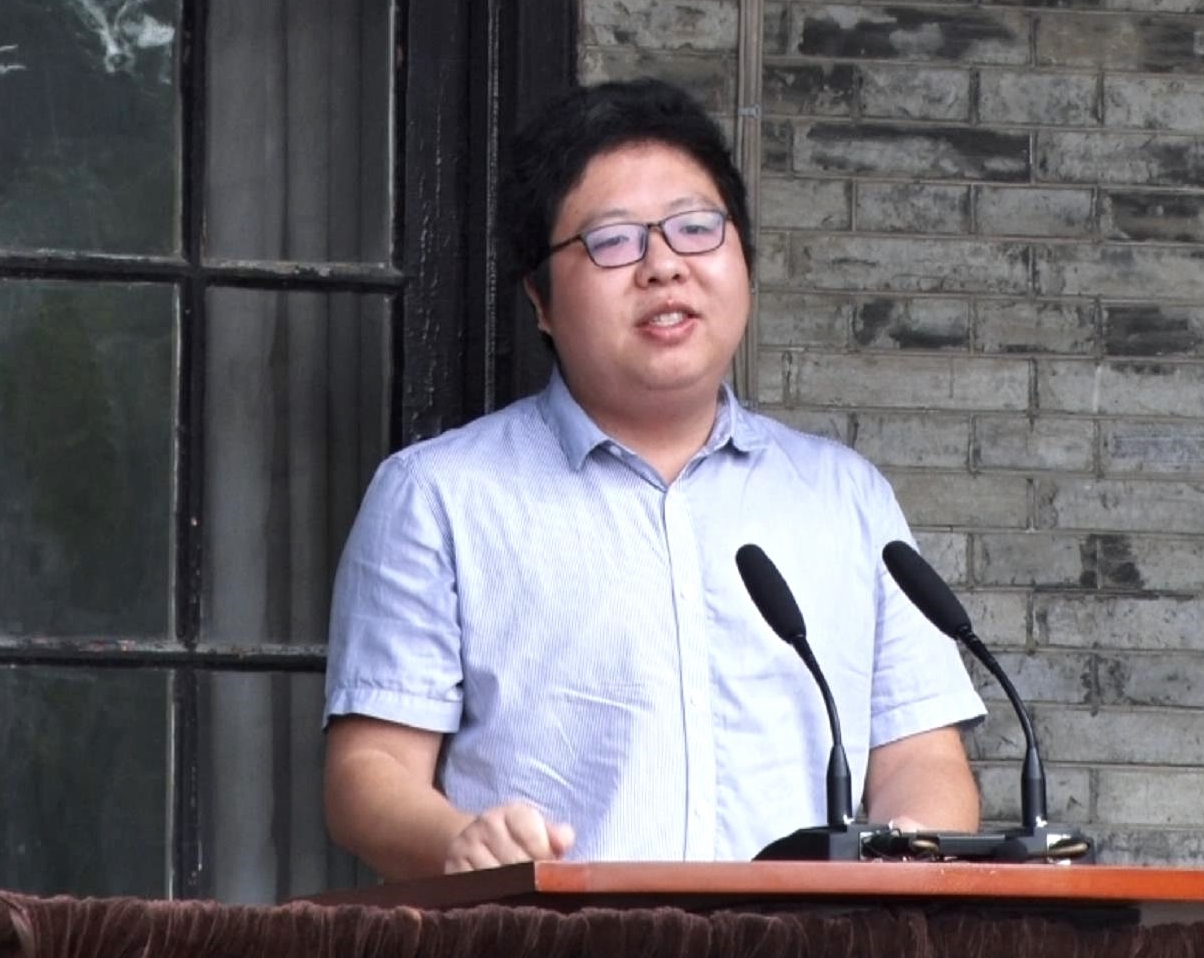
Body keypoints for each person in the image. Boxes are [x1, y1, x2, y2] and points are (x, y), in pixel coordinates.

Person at [322, 77, 986, 880]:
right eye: (612, 241)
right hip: (557, 936)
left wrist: (910, 852)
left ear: (743, 258)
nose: (663, 266)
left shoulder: (846, 498)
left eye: (696, 228)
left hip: (804, 936)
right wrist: (460, 841)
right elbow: (368, 776)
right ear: (539, 299)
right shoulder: (438, 497)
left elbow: (920, 756)